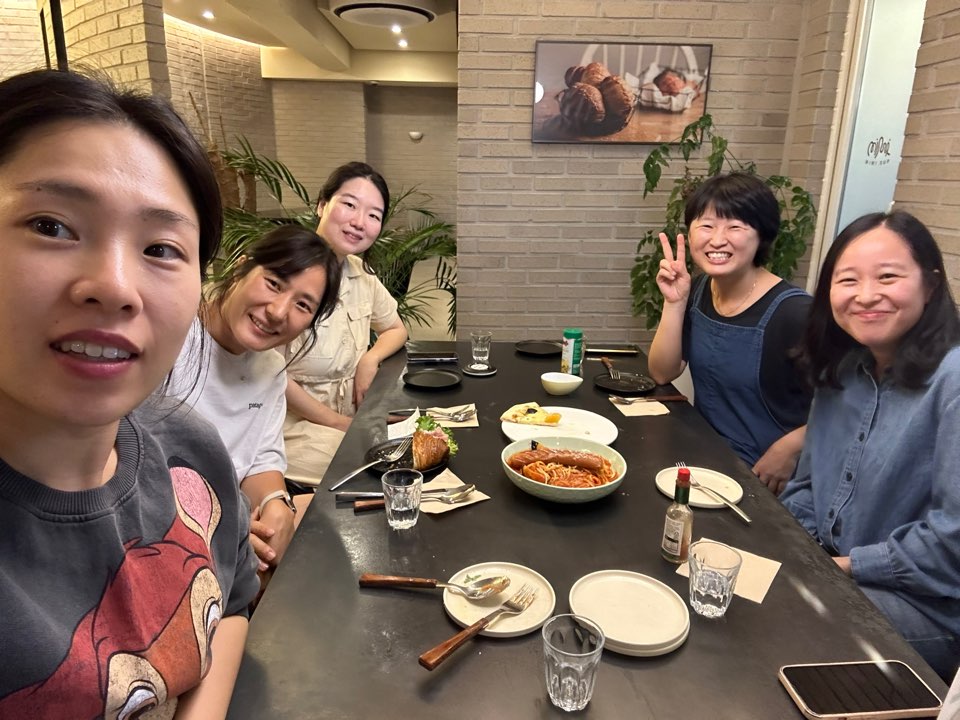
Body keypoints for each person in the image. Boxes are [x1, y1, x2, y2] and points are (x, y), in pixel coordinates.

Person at [0, 69, 258, 717]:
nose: (115, 286)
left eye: (161, 248)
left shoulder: (188, 447)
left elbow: (231, 605)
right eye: (52, 225)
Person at [781, 210, 960, 681]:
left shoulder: (953, 381)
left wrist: (843, 567)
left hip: (926, 607)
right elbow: (806, 487)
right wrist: (797, 551)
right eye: (848, 280)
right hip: (834, 569)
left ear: (930, 285)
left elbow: (953, 542)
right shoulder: (842, 368)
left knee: (774, 630)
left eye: (888, 277)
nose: (865, 295)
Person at [167, 224, 341, 575]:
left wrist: (276, 501)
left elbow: (260, 457)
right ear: (240, 268)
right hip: (166, 534)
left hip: (236, 527)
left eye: (302, 305)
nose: (278, 311)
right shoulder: (169, 340)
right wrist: (221, 527)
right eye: (274, 283)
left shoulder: (271, 369)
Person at [648, 172, 812, 494]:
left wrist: (790, 448)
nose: (717, 240)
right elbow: (661, 372)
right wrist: (674, 303)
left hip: (768, 479)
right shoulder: (698, 290)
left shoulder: (796, 312)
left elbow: (851, 405)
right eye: (707, 226)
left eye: (735, 227)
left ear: (762, 235)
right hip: (706, 459)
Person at [281, 162, 408, 485]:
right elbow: (270, 375)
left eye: (373, 215)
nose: (359, 222)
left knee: (423, 442)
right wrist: (341, 425)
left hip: (349, 417)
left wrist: (370, 358)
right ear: (321, 205)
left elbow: (396, 329)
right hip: (292, 426)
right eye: (349, 204)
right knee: (386, 471)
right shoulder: (286, 272)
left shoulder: (361, 274)